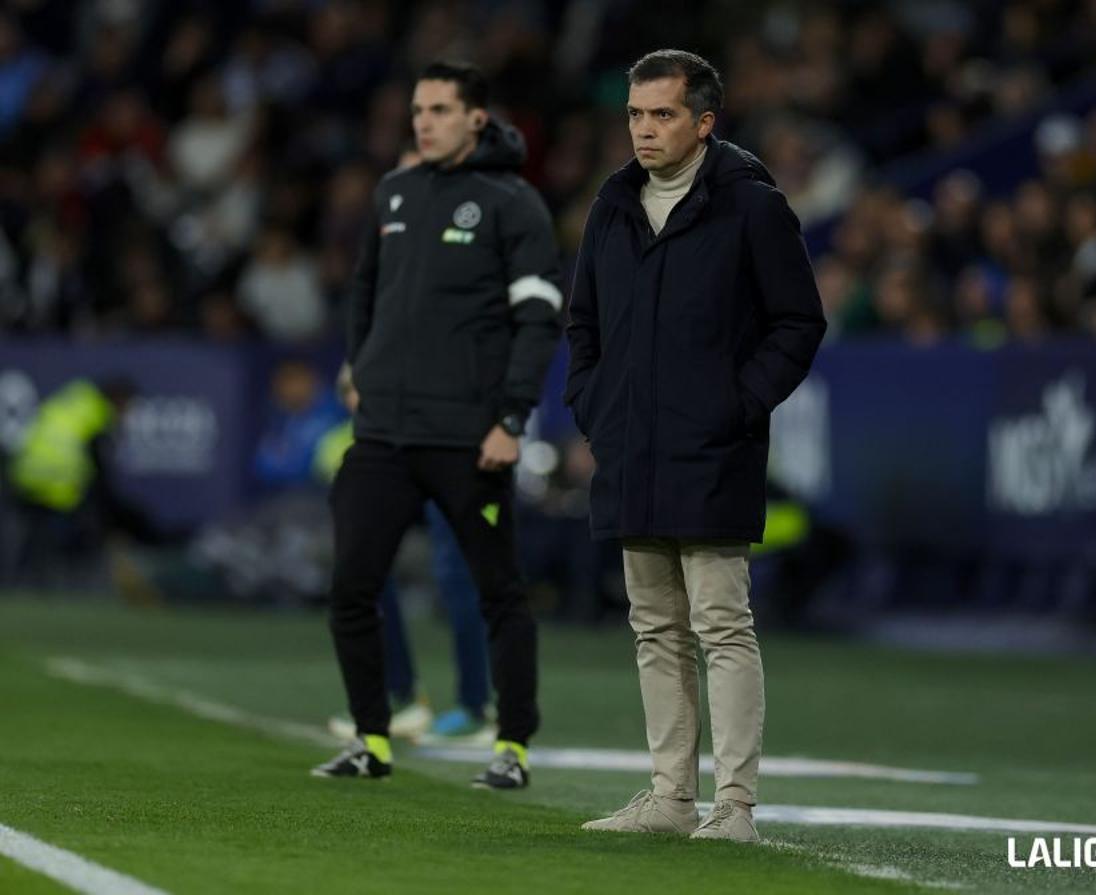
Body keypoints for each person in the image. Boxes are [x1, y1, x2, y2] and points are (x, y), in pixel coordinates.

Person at [565, 50, 826, 840]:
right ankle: (670, 798)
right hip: (631, 448)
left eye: (663, 114)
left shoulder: (750, 205)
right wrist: (596, 408)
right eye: (636, 115)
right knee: (654, 626)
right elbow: (584, 326)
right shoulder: (612, 206)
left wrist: (736, 406)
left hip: (713, 447)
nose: (644, 130)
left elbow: (798, 322)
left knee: (721, 622)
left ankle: (735, 805)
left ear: (704, 122)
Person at [311, 60, 561, 789]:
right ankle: (372, 739)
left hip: (468, 438)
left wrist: (512, 417)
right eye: (418, 110)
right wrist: (360, 368)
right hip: (383, 433)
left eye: (440, 110)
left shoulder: (513, 202)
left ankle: (512, 744)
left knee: (498, 593)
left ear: (476, 118)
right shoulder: (394, 191)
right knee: (351, 587)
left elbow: (539, 319)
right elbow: (365, 293)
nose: (424, 121)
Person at [316, 366, 494, 744]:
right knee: (367, 567)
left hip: (456, 446)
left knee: (457, 574)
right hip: (402, 446)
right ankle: (401, 697)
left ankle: (477, 706)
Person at [5, 377, 159, 583]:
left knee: (37, 535)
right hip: (55, 480)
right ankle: (75, 577)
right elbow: (100, 474)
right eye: (128, 407)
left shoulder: (76, 398)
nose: (128, 414)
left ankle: (27, 576)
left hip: (24, 475)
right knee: (92, 514)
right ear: (119, 399)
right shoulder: (97, 415)